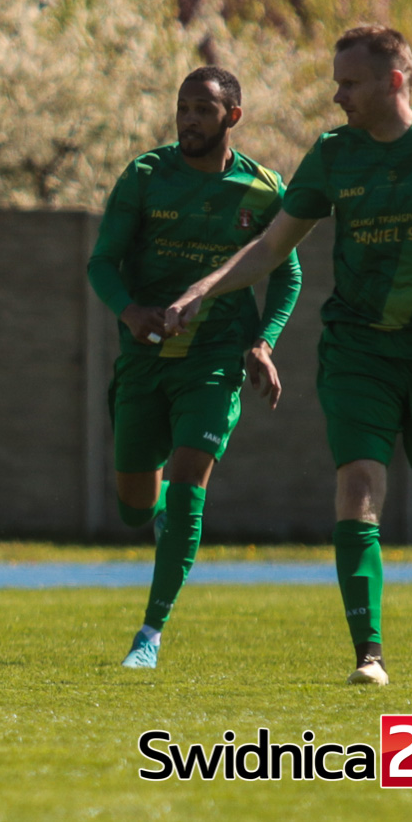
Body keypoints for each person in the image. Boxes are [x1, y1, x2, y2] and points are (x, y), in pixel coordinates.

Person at [165, 26, 412, 686]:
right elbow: (273, 243)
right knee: (358, 485)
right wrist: (206, 285)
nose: (337, 96)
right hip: (357, 346)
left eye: (349, 83)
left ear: (394, 81)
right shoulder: (334, 154)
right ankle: (370, 654)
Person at [87, 66, 302, 670]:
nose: (188, 119)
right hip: (145, 359)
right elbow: (101, 262)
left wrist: (263, 342)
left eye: (203, 109)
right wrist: (130, 312)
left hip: (213, 360)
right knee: (134, 505)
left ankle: (149, 635)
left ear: (233, 116)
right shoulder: (145, 176)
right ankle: (156, 514)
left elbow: (286, 274)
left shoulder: (263, 189)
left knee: (188, 483)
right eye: (183, 107)